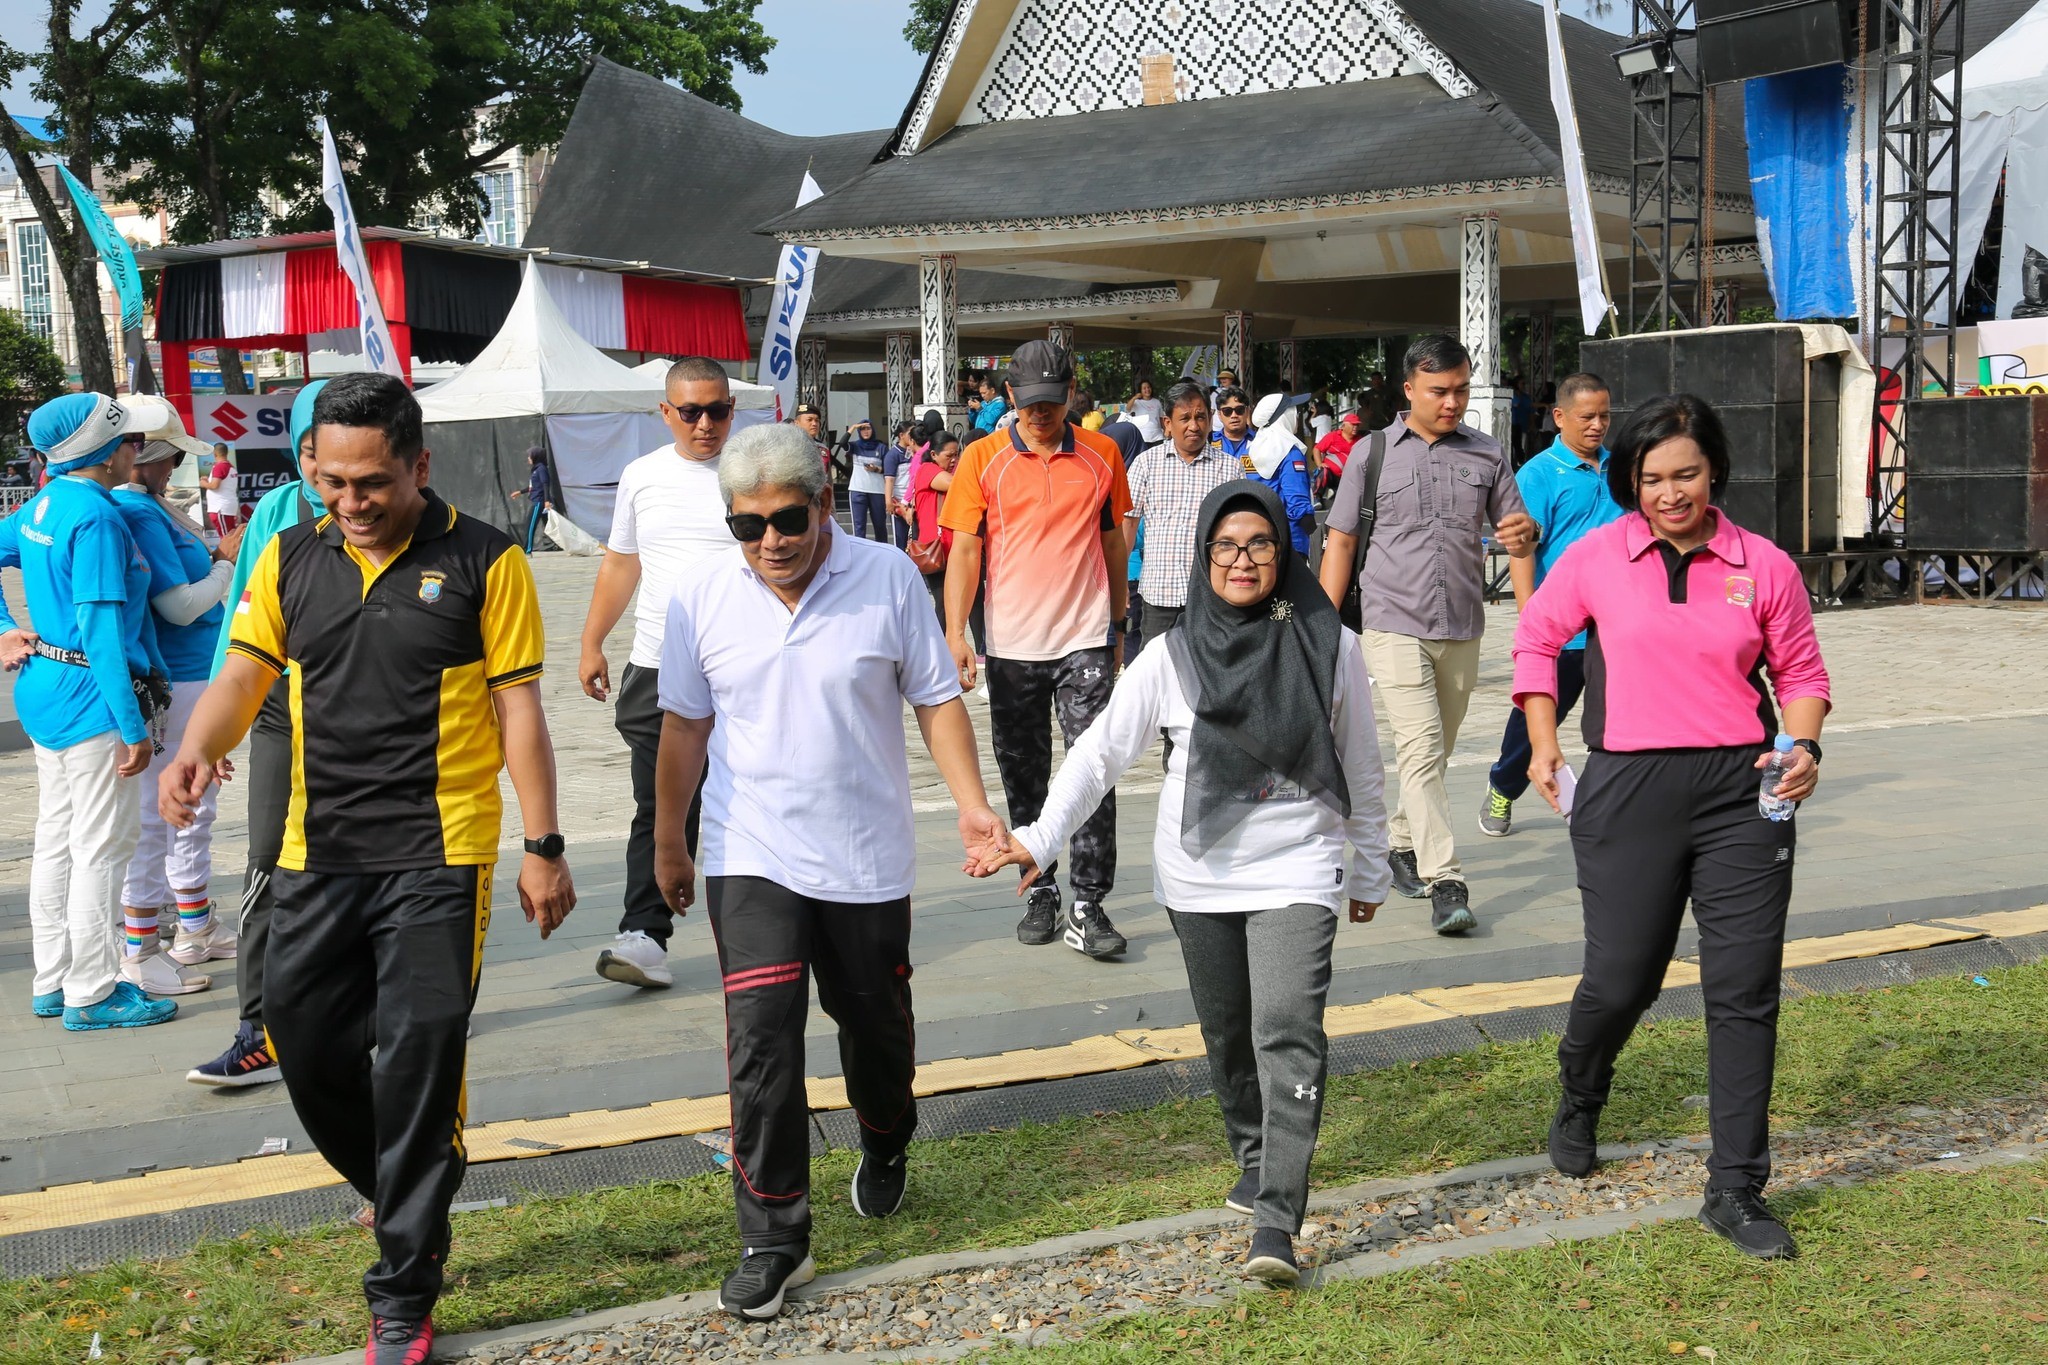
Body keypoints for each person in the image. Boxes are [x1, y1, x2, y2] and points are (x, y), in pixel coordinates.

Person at [160, 372, 575, 1363]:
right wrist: (196, 749)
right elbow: (241, 674)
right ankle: (409, 1185)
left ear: (417, 466)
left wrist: (543, 846)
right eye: (332, 483)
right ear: (311, 470)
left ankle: (402, 1289)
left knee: (420, 1064)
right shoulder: (291, 555)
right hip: (317, 854)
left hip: (442, 853)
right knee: (302, 1048)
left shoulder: (485, 559)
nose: (351, 503)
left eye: (372, 483)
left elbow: (519, 709)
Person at [974, 481, 1389, 1285]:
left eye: (1260, 544)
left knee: (1286, 1028)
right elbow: (1097, 755)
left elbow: (1364, 769)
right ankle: (1251, 1144)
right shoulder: (1170, 653)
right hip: (1197, 876)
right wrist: (1036, 839)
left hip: (1299, 865)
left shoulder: (1331, 643)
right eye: (1226, 547)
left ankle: (1277, 1218)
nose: (1243, 561)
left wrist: (1366, 864)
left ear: (1284, 550)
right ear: (1202, 558)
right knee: (1229, 1034)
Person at [650, 422, 1008, 1319]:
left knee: (876, 1027)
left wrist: (971, 801)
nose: (769, 541)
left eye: (786, 520)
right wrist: (667, 837)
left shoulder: (885, 577)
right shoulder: (701, 594)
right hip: (750, 851)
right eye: (747, 525)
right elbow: (685, 728)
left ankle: (886, 1137)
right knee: (761, 1039)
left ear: (821, 504)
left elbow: (935, 699)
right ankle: (774, 1236)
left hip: (865, 858)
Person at [1514, 393, 1831, 1260]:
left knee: (1743, 988)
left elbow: (1801, 671)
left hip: (1744, 791)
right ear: (1630, 481)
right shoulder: (1595, 556)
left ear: (1714, 470)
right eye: (1651, 478)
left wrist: (1801, 744)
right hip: (1625, 786)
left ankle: (1736, 1188)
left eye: (1685, 473)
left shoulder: (1762, 563)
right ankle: (1582, 1088)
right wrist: (1543, 743)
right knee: (1622, 979)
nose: (1669, 492)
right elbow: (1538, 641)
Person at [1316, 335, 1537, 935]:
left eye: (1461, 389)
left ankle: (1400, 842)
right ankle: (1448, 881)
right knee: (1418, 747)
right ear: (1410, 388)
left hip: (1462, 624)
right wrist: (1320, 626)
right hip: (1392, 622)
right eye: (1440, 391)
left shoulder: (1488, 454)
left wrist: (1531, 611)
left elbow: (1514, 535)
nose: (1453, 402)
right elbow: (1341, 542)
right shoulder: (1372, 453)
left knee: (1435, 752)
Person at [941, 339, 1132, 960]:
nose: (1041, 415)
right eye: (1029, 404)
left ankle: (1088, 902)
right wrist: (955, 633)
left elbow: (1112, 542)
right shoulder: (981, 458)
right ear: (1008, 398)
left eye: (1053, 402)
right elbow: (965, 551)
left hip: (1085, 639)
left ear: (1071, 393)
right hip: (1013, 645)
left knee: (1094, 770)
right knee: (1025, 773)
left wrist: (1119, 619)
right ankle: (1039, 887)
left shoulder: (1103, 454)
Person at [3, 393, 177, 1031]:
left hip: (46, 688)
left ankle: (53, 981)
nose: (138, 449)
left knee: (56, 841)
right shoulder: (97, 519)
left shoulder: (43, 504)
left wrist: (4, 628)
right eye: (130, 440)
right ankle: (93, 993)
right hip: (90, 700)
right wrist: (133, 729)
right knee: (102, 849)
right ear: (107, 451)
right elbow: (102, 634)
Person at [185, 381, 330, 1087]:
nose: (326, 469)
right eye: (311, 451)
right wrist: (210, 736)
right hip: (281, 712)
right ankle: (258, 1025)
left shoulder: (419, 519)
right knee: (269, 860)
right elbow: (239, 638)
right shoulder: (277, 511)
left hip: (376, 722)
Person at [579, 357, 735, 991]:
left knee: (743, 801)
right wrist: (591, 641)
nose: (705, 424)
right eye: (690, 412)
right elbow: (622, 563)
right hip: (657, 669)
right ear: (665, 413)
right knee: (659, 804)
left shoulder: (759, 470)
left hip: (741, 670)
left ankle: (757, 929)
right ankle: (644, 934)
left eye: (718, 410)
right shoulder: (641, 476)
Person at [113, 438, 242, 998]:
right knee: (171, 807)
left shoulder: (147, 506)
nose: (175, 467)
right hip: (182, 672)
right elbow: (179, 605)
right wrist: (224, 565)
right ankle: (147, 944)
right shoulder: (138, 510)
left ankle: (190, 924)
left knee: (187, 803)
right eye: (170, 458)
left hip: (190, 672)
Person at [1479, 373, 1618, 838]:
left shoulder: (1621, 469)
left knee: (1621, 720)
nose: (1598, 426)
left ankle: (1620, 802)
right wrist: (1532, 618)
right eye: (1587, 417)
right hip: (1563, 629)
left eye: (1604, 416)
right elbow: (1522, 549)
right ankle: (1502, 786)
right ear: (1559, 417)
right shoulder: (1538, 474)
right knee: (1537, 721)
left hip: (1619, 627)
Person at [1124, 381, 1241, 642]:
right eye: (1185, 418)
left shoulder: (1230, 469)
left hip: (1211, 596)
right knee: (1158, 673)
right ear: (1167, 423)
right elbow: (1128, 524)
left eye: (1200, 417)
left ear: (1210, 420)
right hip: (1159, 594)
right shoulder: (1146, 464)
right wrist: (1120, 580)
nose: (1194, 426)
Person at [1242, 393, 1317, 557]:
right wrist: (1312, 529)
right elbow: (1297, 501)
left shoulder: (1251, 449)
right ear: (1283, 416)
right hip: (1290, 539)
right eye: (1293, 411)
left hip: (1256, 535)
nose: (1296, 415)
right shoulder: (1289, 452)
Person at [910, 431, 962, 621]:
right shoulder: (927, 469)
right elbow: (955, 484)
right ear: (933, 454)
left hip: (950, 547)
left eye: (957, 454)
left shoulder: (946, 471)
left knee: (951, 602)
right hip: (934, 548)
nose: (954, 460)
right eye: (949, 455)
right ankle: (937, 646)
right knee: (943, 603)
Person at [845, 418, 891, 544]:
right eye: (862, 429)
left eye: (868, 428)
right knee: (859, 528)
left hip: (877, 490)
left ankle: (883, 556)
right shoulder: (855, 446)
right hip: (858, 489)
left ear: (873, 429)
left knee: (880, 526)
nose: (865, 431)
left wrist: (876, 469)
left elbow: (888, 470)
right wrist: (853, 427)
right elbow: (843, 443)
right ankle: (860, 557)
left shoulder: (881, 447)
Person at [513, 445, 552, 554]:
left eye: (530, 456)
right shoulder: (536, 470)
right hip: (537, 500)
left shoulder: (541, 469)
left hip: (539, 502)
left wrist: (546, 501)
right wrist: (520, 492)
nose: (528, 458)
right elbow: (532, 487)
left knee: (530, 526)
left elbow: (546, 484)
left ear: (536, 456)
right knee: (549, 526)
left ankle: (527, 549)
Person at [202, 441, 238, 541]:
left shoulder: (220, 467)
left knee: (226, 538)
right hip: (227, 506)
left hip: (220, 508)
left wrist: (203, 483)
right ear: (227, 453)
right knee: (229, 535)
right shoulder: (230, 467)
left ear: (215, 454)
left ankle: (230, 557)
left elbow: (214, 485)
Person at [1125, 378, 1165, 445]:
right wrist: (1135, 397)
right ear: (1140, 390)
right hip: (1144, 437)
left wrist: (1166, 430)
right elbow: (1128, 408)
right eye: (1144, 388)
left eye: (1148, 387)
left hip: (1158, 436)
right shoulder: (1137, 402)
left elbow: (1161, 418)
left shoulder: (1157, 402)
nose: (1147, 390)